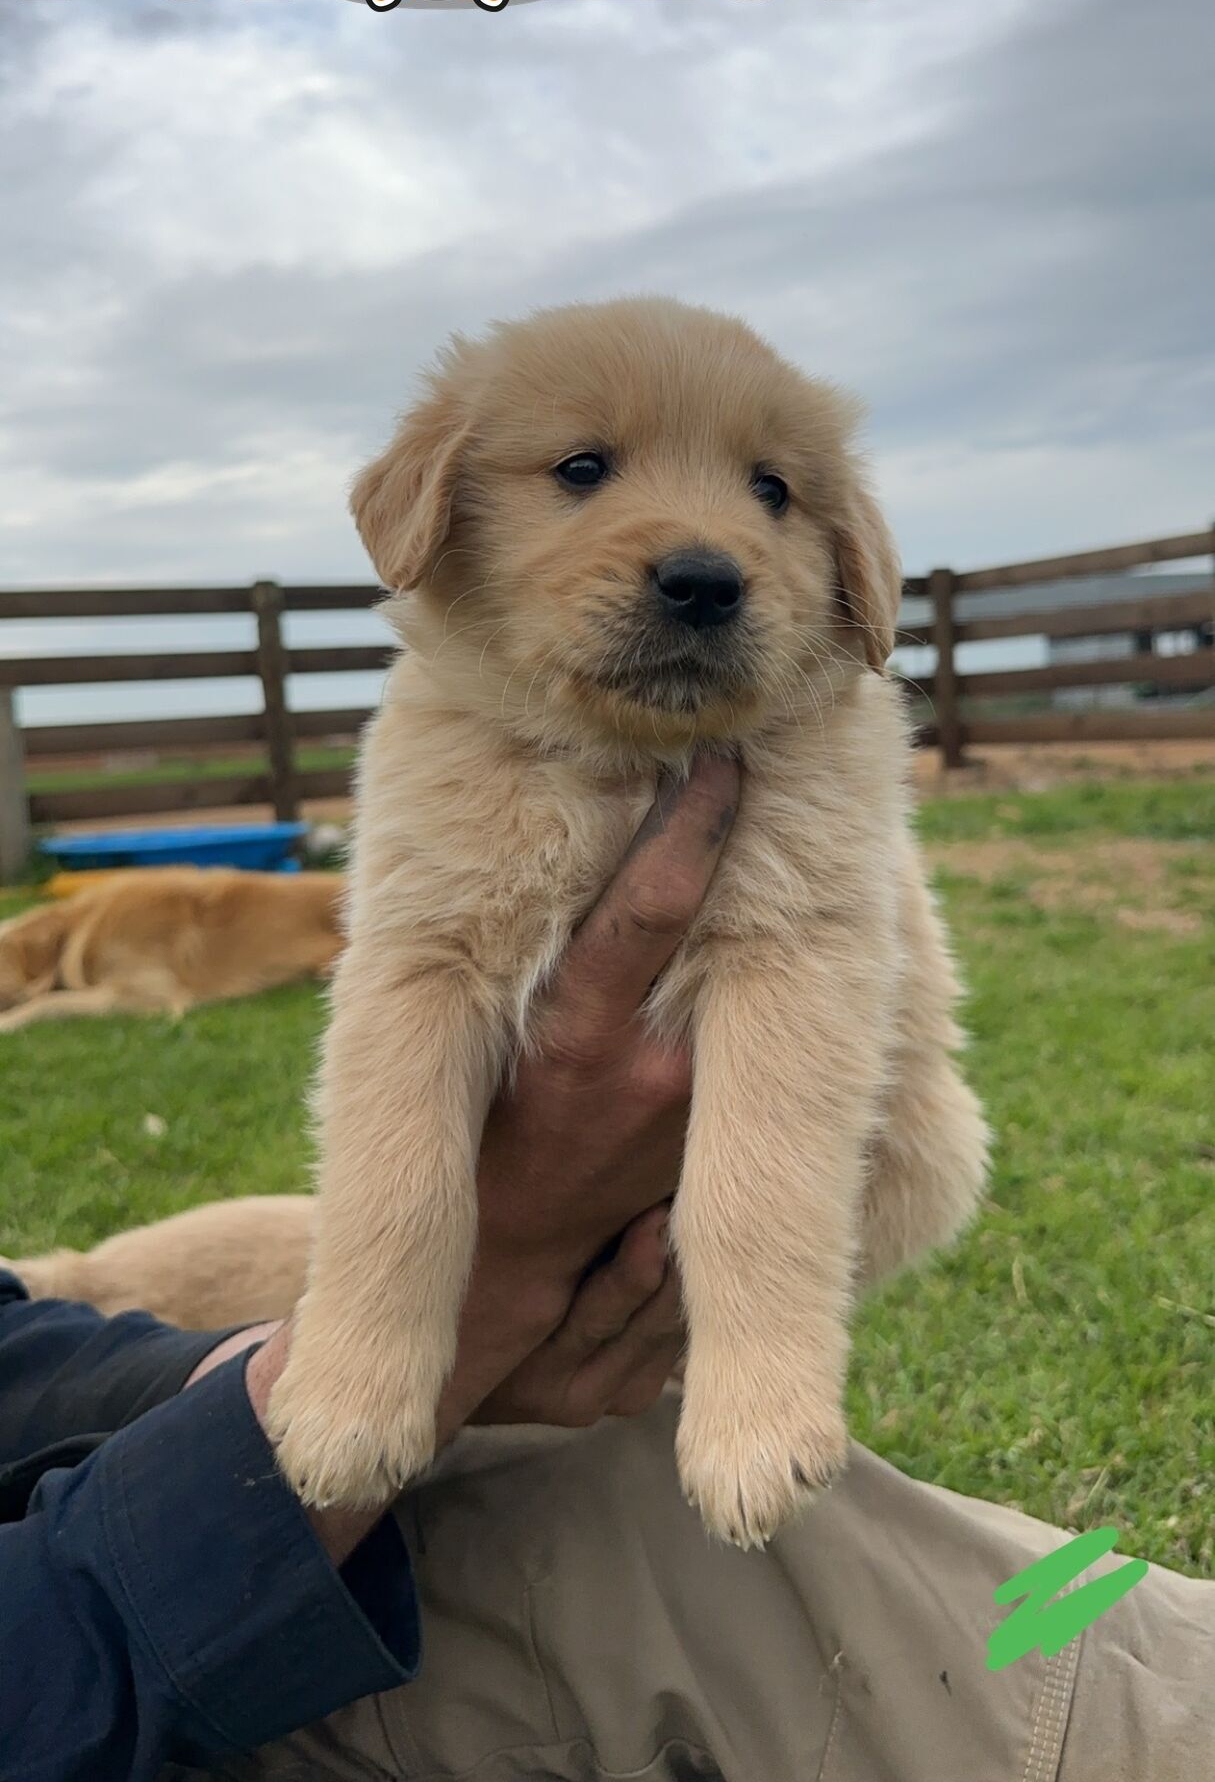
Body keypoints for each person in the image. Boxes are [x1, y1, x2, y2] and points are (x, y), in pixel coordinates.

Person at [1, 759, 1209, 1782]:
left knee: (710, 1503)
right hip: (128, 1655)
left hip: (116, 1526)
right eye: (582, 465)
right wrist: (469, 1307)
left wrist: (237, 1374)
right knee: (702, 1541)